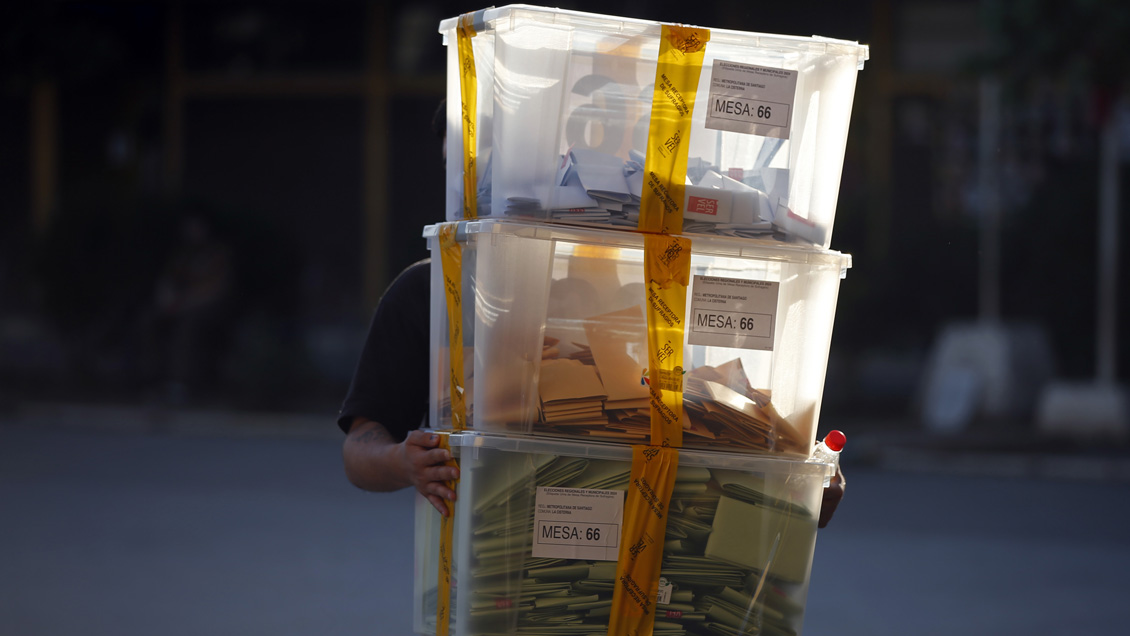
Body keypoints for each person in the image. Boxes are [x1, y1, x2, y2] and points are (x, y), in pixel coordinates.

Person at [339, 100, 845, 525]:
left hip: (644, 553)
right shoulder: (426, 291)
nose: (482, 184)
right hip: (494, 561)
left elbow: (709, 421)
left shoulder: (637, 282)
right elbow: (361, 445)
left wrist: (800, 481)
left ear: (564, 161)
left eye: (500, 162)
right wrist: (405, 463)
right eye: (464, 167)